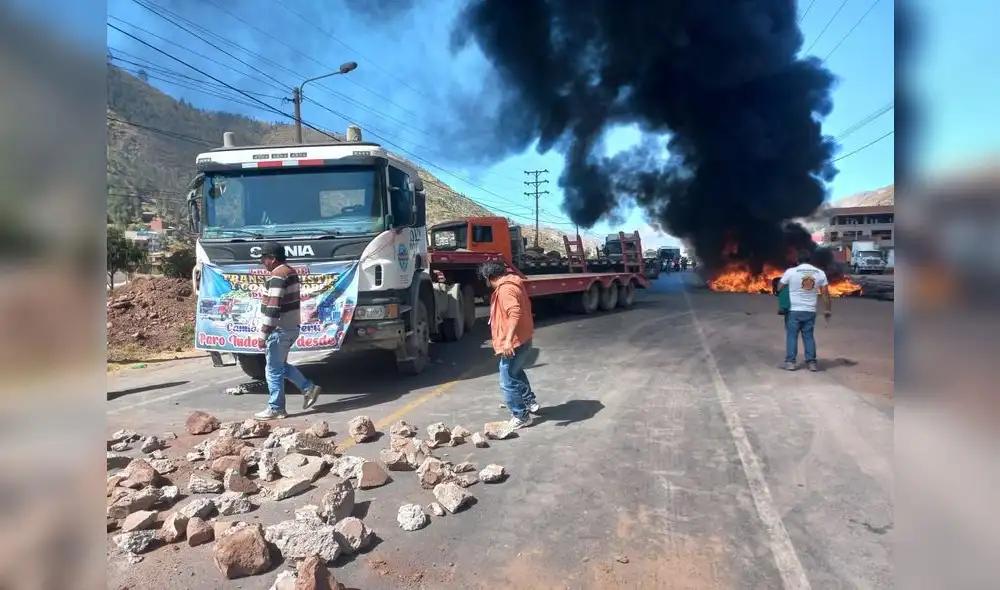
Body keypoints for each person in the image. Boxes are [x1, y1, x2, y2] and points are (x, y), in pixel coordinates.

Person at [254, 242, 321, 419]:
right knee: (280, 366)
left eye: (264, 259)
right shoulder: (290, 272)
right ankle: (308, 388)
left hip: (279, 330)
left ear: (272, 258)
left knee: (273, 370)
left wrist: (263, 334)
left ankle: (276, 408)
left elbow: (273, 308)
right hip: (291, 328)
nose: (263, 263)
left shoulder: (278, 276)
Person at [480, 261, 539, 430]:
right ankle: (529, 401)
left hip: (514, 342)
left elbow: (514, 313)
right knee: (516, 371)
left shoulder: (505, 290)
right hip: (523, 338)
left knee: (507, 380)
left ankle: (520, 415)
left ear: (489, 277)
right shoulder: (513, 284)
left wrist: (507, 341)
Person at [778, 249, 832, 372]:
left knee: (792, 336)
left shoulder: (791, 272)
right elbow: (825, 293)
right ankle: (811, 363)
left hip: (793, 310)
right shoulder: (820, 273)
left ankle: (791, 363)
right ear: (810, 260)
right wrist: (827, 309)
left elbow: (780, 287)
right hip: (810, 310)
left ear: (798, 260)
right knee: (808, 336)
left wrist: (786, 292)